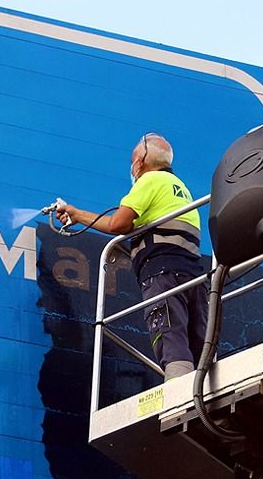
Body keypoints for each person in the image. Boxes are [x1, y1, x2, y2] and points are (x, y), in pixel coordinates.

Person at [56, 134, 208, 379]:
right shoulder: (179, 188)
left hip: (162, 277)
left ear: (140, 160)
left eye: (132, 160)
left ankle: (180, 398)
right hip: (193, 278)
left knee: (170, 340)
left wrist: (76, 214)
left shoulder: (149, 181)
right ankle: (204, 393)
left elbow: (118, 224)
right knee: (199, 344)